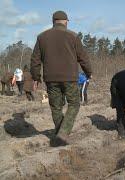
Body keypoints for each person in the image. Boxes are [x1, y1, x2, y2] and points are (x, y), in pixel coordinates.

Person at [30, 10, 92, 144]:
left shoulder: (42, 37)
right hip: (70, 78)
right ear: (66, 22)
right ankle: (63, 134)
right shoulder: (73, 36)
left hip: (50, 79)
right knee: (74, 104)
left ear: (53, 21)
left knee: (56, 107)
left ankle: (59, 133)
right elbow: (83, 58)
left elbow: (35, 60)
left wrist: (36, 77)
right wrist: (88, 72)